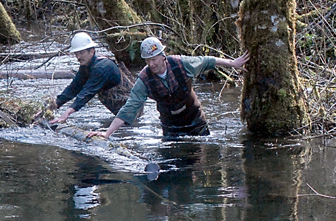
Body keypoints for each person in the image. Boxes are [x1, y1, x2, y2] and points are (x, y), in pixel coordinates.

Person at [87, 36, 250, 140]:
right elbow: (130, 107)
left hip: (196, 123)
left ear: (163, 56)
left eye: (154, 59)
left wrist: (232, 63)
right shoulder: (144, 80)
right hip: (171, 129)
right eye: (148, 60)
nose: (152, 64)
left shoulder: (181, 64)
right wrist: (107, 134)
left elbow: (207, 60)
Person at [46, 32, 134, 124]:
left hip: (131, 106)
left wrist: (67, 113)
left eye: (81, 53)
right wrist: (54, 105)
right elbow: (74, 88)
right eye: (76, 53)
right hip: (119, 108)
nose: (78, 57)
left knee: (128, 127)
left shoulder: (101, 67)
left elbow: (87, 92)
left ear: (92, 51)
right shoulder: (86, 65)